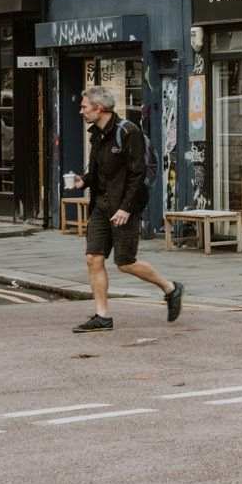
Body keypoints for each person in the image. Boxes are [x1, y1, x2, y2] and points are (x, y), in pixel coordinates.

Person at [67, 86, 184, 333]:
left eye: (84, 107)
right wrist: (83, 181)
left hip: (124, 208)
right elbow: (97, 171)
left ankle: (170, 288)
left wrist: (126, 208)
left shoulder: (129, 132)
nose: (81, 111)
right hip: (101, 206)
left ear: (100, 108)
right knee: (93, 258)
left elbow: (138, 174)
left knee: (125, 262)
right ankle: (102, 316)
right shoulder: (96, 134)